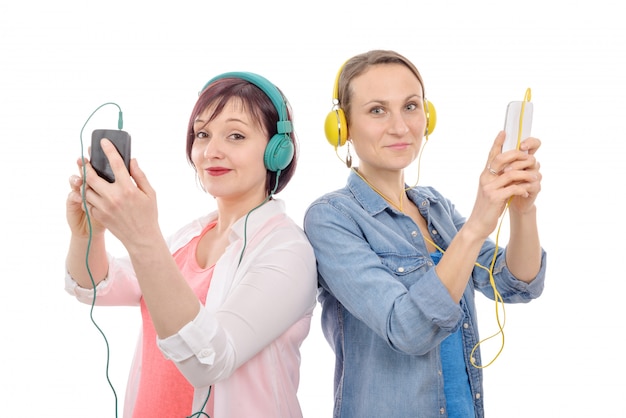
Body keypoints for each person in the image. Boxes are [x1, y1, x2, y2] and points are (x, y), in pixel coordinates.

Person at [303, 50, 547, 417]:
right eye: (376, 110)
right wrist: (479, 223)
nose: (400, 127)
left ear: (427, 117)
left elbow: (517, 282)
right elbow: (408, 329)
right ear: (342, 127)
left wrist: (522, 210)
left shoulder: (436, 207)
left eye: (411, 106)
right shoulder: (332, 219)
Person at [65, 72, 317, 418]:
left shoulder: (287, 251)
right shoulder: (190, 237)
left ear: (278, 151)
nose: (212, 151)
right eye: (202, 134)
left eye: (236, 135)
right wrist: (86, 233)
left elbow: (210, 359)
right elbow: (97, 286)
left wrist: (143, 235)